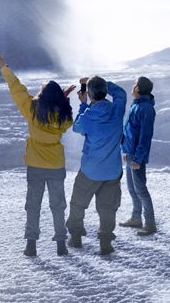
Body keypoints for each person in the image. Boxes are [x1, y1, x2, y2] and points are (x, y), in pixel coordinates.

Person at [0, 50, 75, 258]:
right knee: (57, 205)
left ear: (43, 95)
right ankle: (61, 244)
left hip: (36, 166)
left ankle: (31, 245)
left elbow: (17, 89)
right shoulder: (64, 116)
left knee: (33, 206)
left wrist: (3, 66)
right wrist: (62, 100)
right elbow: (66, 119)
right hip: (56, 165)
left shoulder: (32, 110)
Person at [66, 75, 127, 255]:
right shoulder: (117, 110)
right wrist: (102, 85)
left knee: (78, 203)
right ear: (105, 92)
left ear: (90, 94)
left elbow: (77, 127)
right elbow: (121, 93)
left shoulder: (88, 116)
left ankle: (76, 237)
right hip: (112, 171)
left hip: (90, 170)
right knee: (108, 207)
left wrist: (84, 104)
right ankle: (106, 242)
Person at [119, 76, 158, 235]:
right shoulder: (137, 105)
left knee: (140, 189)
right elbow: (130, 131)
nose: (132, 86)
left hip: (136, 156)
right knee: (132, 188)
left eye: (135, 84)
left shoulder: (146, 108)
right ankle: (136, 218)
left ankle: (150, 223)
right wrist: (125, 150)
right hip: (130, 153)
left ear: (138, 89)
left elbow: (145, 135)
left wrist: (138, 157)